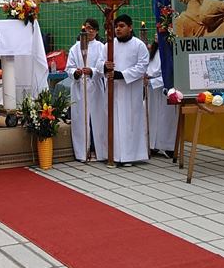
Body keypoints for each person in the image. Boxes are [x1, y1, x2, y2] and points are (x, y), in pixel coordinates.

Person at [95, 14, 150, 166]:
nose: (118, 29)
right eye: (116, 26)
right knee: (113, 120)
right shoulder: (109, 45)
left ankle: (130, 156)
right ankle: (113, 154)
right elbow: (99, 63)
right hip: (113, 90)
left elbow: (142, 66)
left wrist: (122, 75)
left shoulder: (139, 45)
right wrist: (105, 66)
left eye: (121, 26)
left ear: (130, 27)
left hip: (130, 90)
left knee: (130, 123)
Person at [66, 19, 107, 161]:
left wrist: (93, 71)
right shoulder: (75, 48)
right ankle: (83, 151)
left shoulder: (101, 47)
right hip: (79, 87)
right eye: (86, 28)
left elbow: (103, 67)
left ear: (96, 31)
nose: (89, 31)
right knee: (81, 119)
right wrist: (75, 73)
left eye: (92, 29)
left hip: (95, 86)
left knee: (97, 119)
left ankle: (98, 150)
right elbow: (69, 67)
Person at [146, 41, 178, 159]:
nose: (156, 36)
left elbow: (171, 73)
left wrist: (152, 81)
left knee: (166, 117)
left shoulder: (171, 52)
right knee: (152, 115)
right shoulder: (152, 52)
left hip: (165, 87)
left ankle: (168, 146)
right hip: (152, 89)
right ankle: (152, 144)